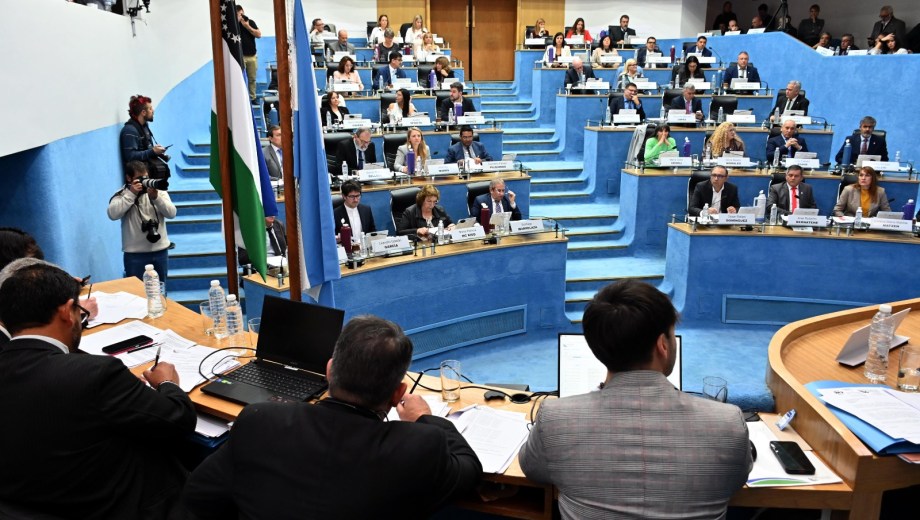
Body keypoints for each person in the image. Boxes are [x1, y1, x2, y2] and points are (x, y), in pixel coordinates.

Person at [181, 315, 481, 519]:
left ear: (328, 370)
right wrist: (423, 417)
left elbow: (198, 496)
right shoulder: (419, 445)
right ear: (397, 394)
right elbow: (469, 469)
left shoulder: (259, 420)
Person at [519, 279, 752, 519]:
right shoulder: (728, 424)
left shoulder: (554, 420)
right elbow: (736, 479)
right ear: (662, 345)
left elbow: (532, 469)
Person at [0, 261, 196, 519]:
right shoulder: (96, 374)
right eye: (80, 311)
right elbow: (179, 420)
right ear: (67, 311)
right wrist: (167, 383)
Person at [107, 161, 176, 281]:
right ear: (129, 178)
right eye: (140, 178)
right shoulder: (122, 194)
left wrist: (156, 198)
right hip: (135, 255)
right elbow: (112, 214)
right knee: (136, 291)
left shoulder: (158, 192)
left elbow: (171, 213)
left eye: (146, 177)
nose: (144, 181)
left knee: (160, 289)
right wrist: (131, 194)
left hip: (160, 252)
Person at [120, 94, 167, 169]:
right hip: (139, 173)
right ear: (143, 112)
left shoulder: (144, 126)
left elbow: (146, 148)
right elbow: (130, 156)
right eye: (150, 109)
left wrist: (156, 150)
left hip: (147, 168)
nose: (153, 111)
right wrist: (152, 151)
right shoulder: (130, 131)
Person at [236, 5, 261, 104]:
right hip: (240, 56)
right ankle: (242, 99)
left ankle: (252, 98)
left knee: (252, 79)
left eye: (242, 14)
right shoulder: (234, 25)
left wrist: (247, 26)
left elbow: (259, 35)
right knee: (241, 79)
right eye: (239, 14)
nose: (241, 16)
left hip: (252, 56)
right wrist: (237, 22)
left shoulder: (250, 22)